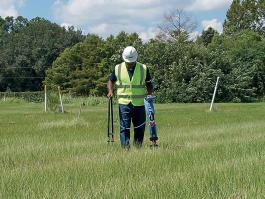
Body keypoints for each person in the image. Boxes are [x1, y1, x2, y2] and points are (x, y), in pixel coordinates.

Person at [107, 46, 157, 149]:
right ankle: (126, 148)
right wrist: (110, 91)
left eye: (131, 62)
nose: (129, 63)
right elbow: (110, 81)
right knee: (124, 127)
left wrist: (150, 93)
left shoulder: (143, 68)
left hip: (139, 103)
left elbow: (149, 83)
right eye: (128, 62)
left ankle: (138, 147)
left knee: (139, 127)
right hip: (124, 103)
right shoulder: (118, 68)